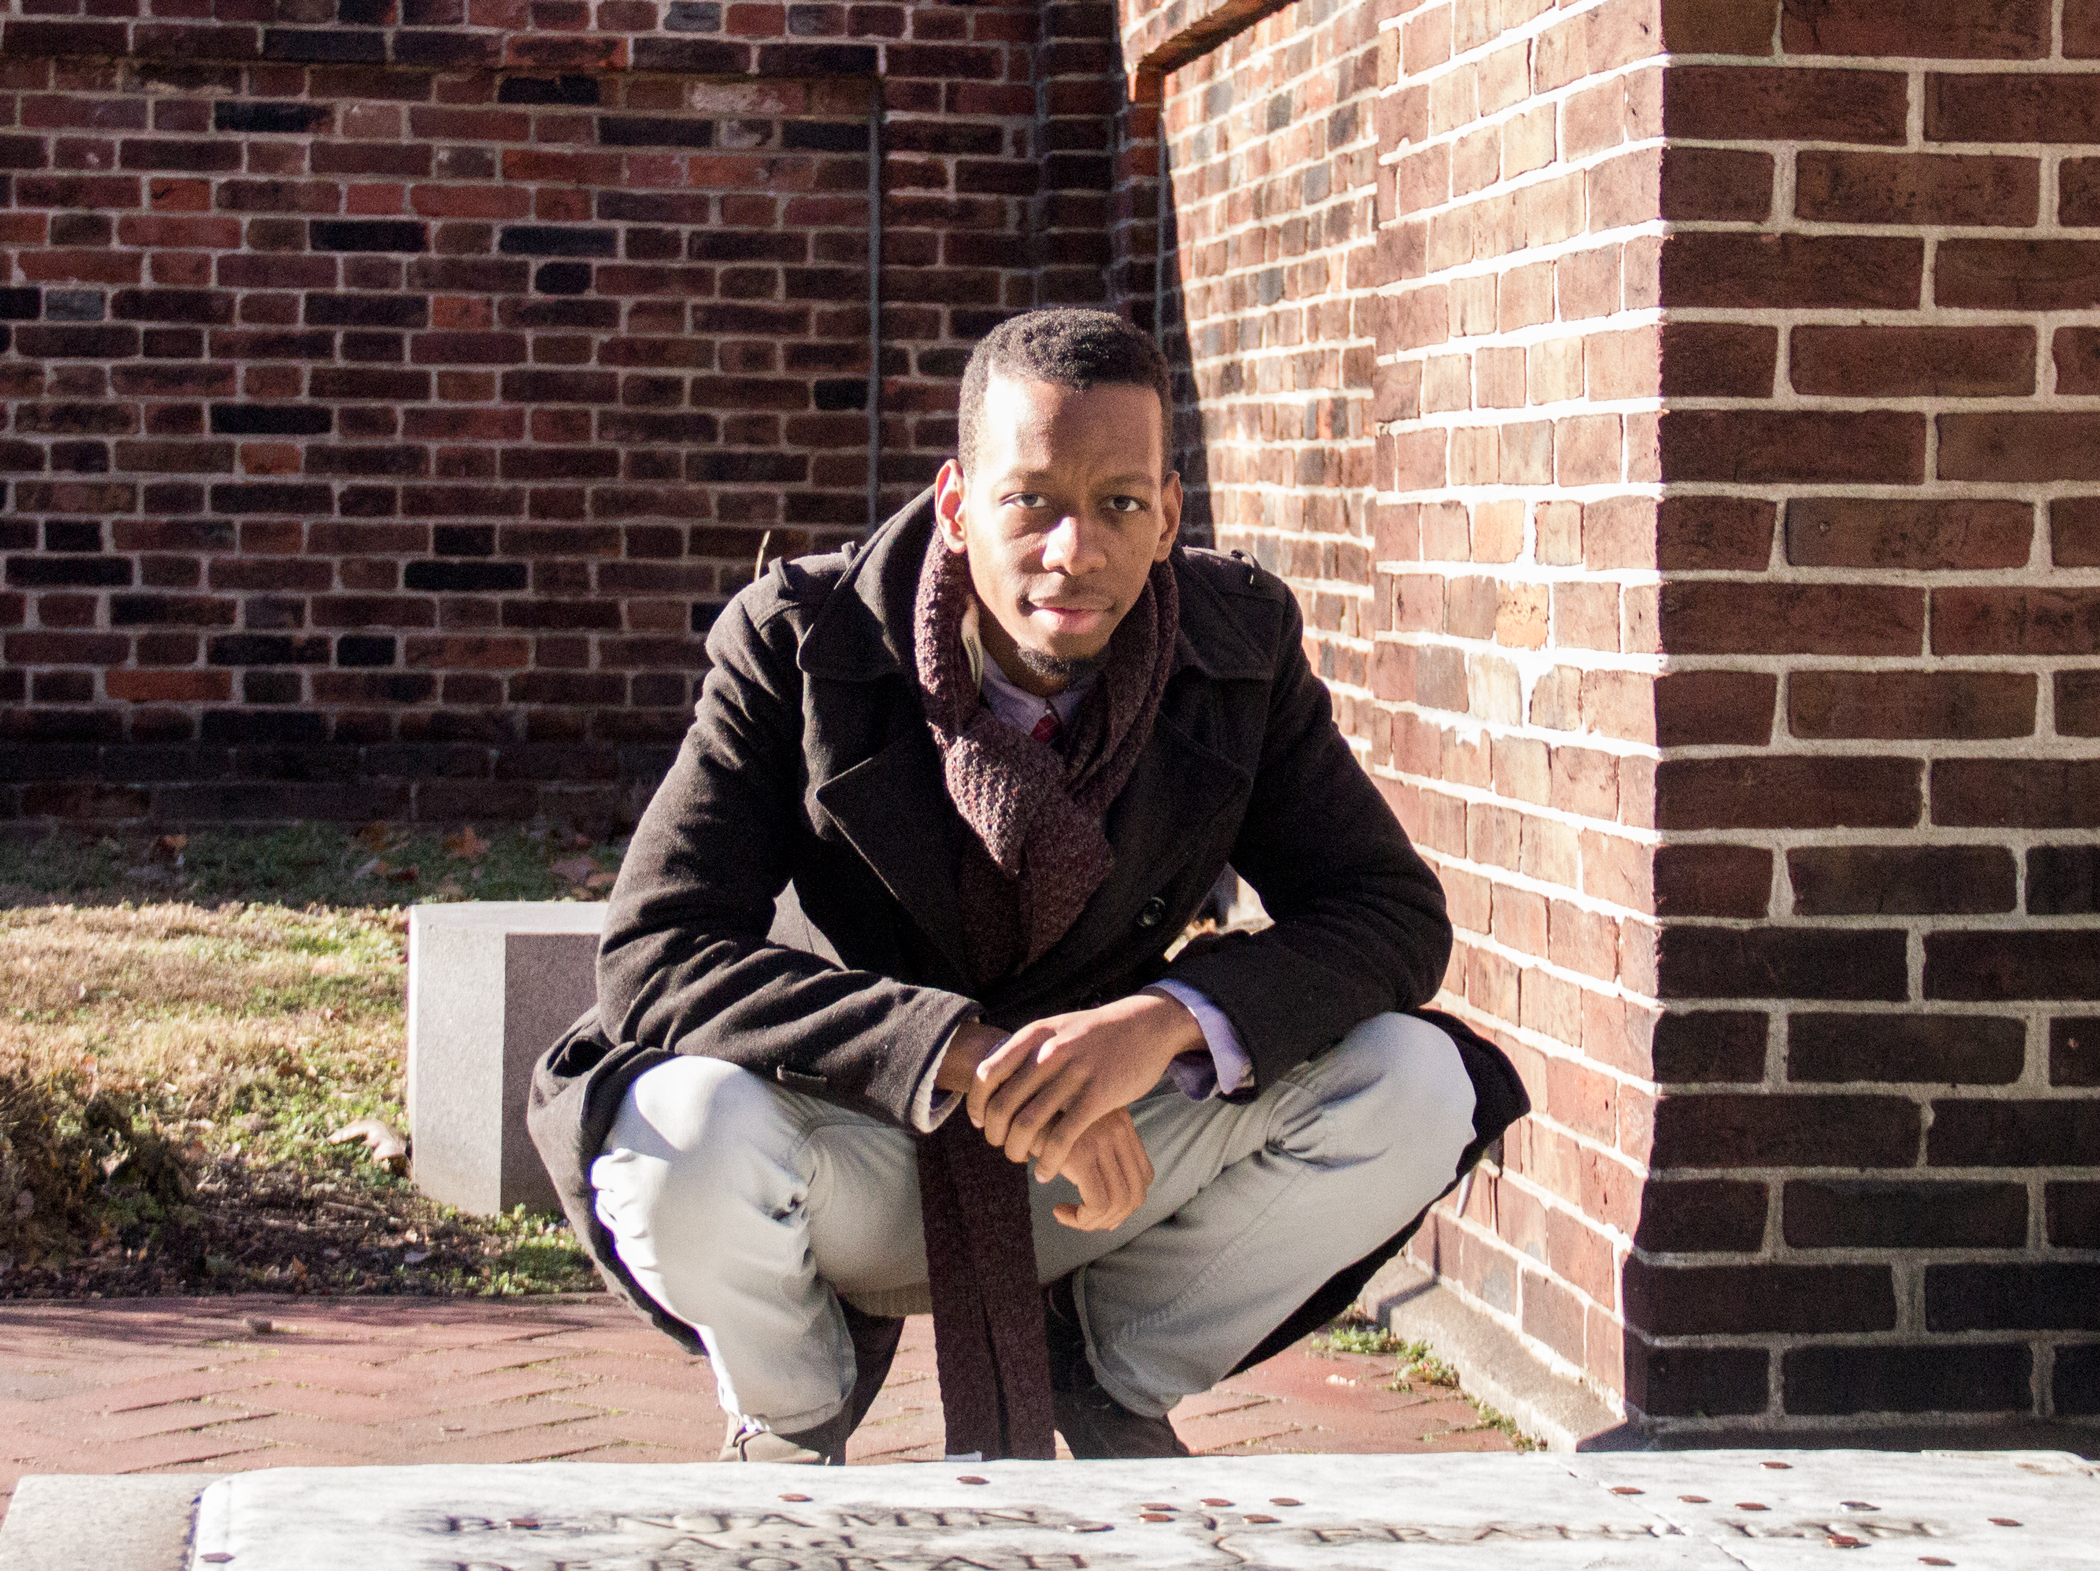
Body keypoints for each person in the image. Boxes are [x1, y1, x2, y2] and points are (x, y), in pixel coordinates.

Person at [528, 308, 1527, 1464]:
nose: (1075, 549)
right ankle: (795, 1418)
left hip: (1105, 1156)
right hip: (852, 1143)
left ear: (1170, 515)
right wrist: (966, 1052)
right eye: (1031, 500)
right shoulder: (801, 643)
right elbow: (656, 952)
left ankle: (1106, 1370)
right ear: (957, 503)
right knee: (678, 1132)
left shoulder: (1234, 647)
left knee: (1413, 1081)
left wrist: (1160, 1026)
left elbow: (1387, 911)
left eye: (1120, 504)